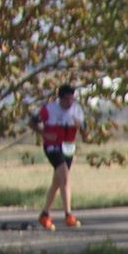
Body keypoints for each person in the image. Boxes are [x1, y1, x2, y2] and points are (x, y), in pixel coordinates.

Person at [32, 84, 84, 230]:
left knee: (57, 182)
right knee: (65, 176)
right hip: (52, 147)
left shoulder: (77, 110)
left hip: (68, 148)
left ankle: (44, 214)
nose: (69, 102)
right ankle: (68, 215)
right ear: (60, 98)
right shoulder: (49, 109)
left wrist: (80, 127)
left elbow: (84, 131)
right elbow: (33, 122)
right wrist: (44, 134)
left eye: (72, 99)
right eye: (67, 99)